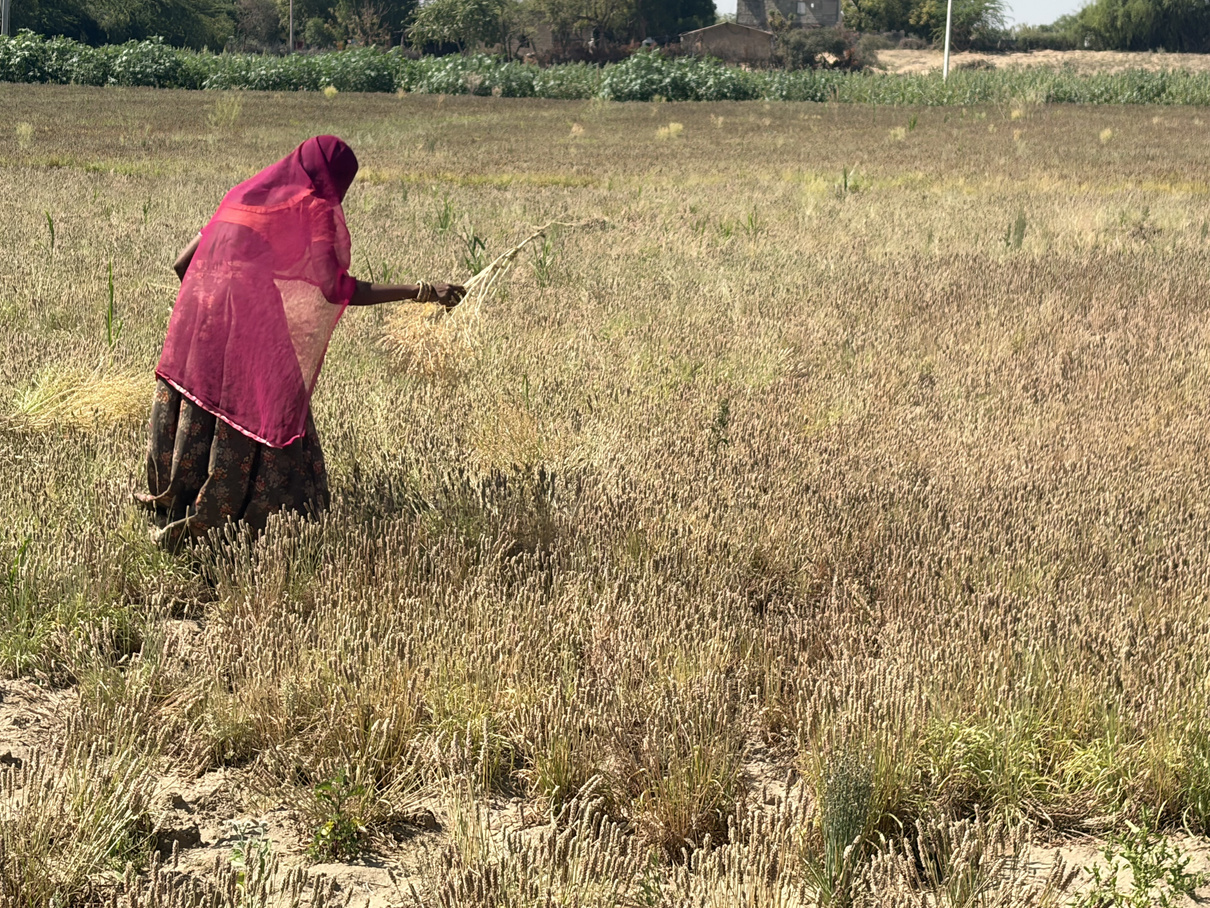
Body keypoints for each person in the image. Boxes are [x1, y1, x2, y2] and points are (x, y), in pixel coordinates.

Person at [137, 135, 463, 549]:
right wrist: (422, 290)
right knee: (271, 410)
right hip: (251, 320)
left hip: (199, 320)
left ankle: (178, 498)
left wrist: (211, 308)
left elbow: (183, 263)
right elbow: (334, 288)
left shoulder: (245, 194)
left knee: (204, 402)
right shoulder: (312, 207)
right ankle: (249, 519)